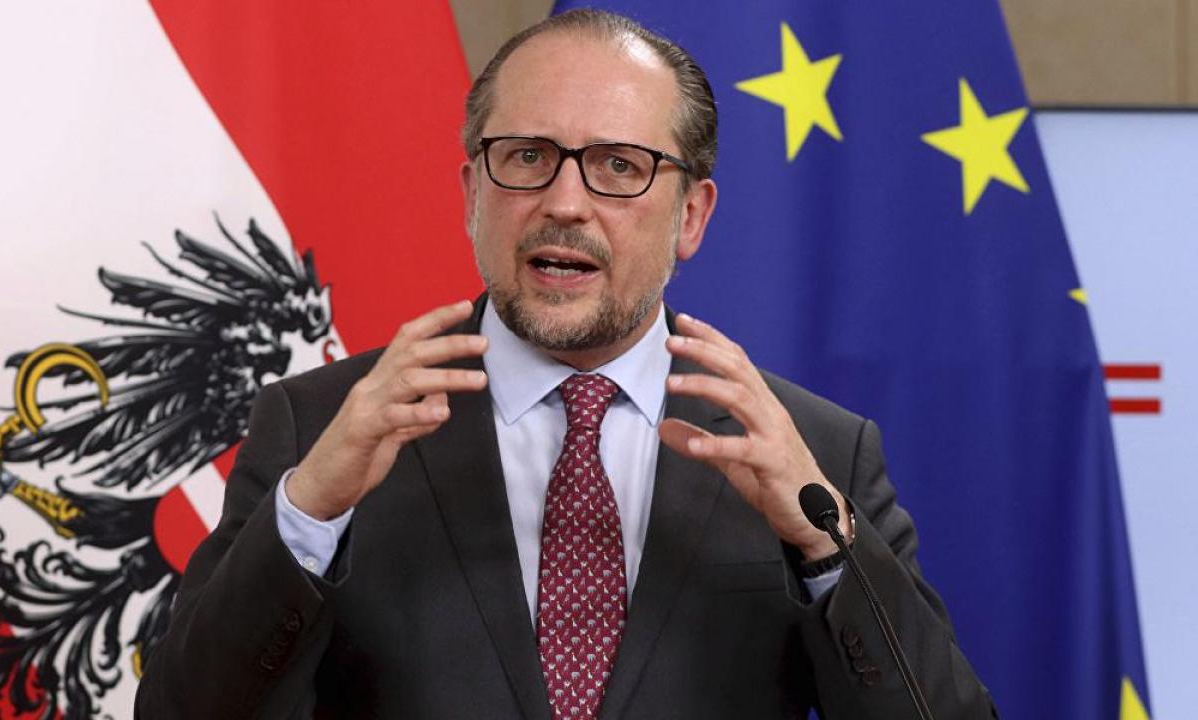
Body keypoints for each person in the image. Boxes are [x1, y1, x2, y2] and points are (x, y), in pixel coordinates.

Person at [136, 9, 996, 720]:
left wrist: (823, 545)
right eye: (527, 157)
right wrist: (310, 514)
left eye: (620, 166)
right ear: (473, 194)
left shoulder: (815, 452)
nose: (565, 202)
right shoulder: (320, 428)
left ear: (692, 217)